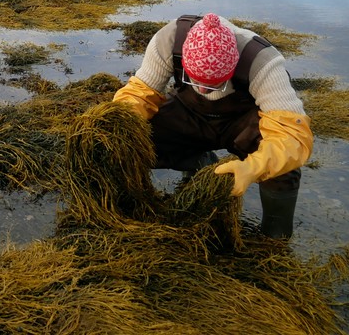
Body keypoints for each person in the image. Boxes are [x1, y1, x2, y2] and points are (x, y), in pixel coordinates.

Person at [113, 12, 313, 239]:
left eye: (215, 84)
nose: (205, 91)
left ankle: (276, 235)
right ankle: (200, 163)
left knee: (282, 167)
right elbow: (139, 95)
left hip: (243, 126)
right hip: (189, 116)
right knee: (139, 139)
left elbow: (292, 135)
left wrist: (253, 168)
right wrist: (120, 123)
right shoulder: (169, 40)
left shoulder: (263, 62)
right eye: (194, 81)